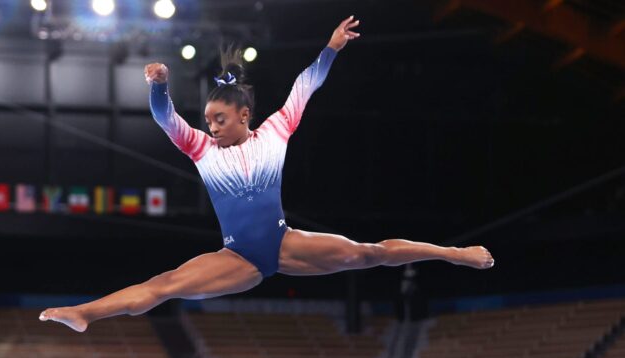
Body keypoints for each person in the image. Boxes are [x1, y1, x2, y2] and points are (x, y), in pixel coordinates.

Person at [39, 16, 495, 332]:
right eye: (208, 120)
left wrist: (331, 49)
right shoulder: (199, 147)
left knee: (367, 253)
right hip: (238, 258)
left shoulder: (276, 131)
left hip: (283, 244)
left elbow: (306, 85)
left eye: (219, 120)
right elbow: (164, 117)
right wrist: (159, 85)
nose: (210, 128)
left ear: (243, 116)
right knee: (163, 286)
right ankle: (84, 313)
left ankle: (454, 253)